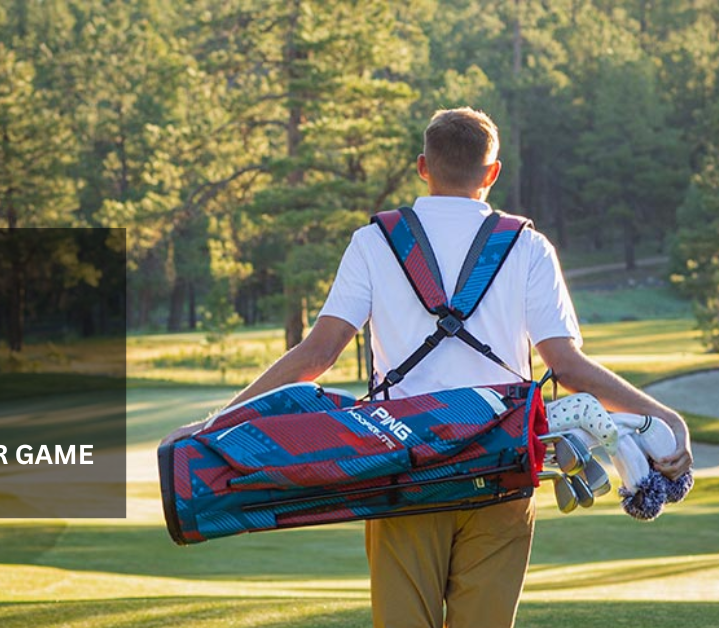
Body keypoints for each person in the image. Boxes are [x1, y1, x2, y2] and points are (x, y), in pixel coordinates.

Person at [171, 107, 692, 628]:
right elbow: (568, 368)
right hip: (502, 473)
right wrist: (666, 418)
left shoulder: (373, 242)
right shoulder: (528, 247)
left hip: (402, 470)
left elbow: (316, 356)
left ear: (423, 166)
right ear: (492, 173)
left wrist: (216, 423)